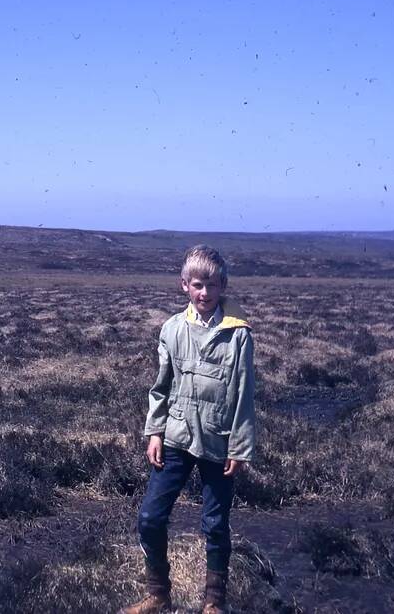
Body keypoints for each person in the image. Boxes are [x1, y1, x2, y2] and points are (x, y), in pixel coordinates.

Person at [119, 245, 256, 614]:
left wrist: (239, 447)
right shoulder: (172, 329)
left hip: (219, 440)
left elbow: (244, 393)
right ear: (184, 285)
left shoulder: (239, 335)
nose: (205, 293)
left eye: (212, 285)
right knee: (149, 517)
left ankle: (214, 604)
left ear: (223, 285)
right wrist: (155, 432)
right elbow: (161, 386)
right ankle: (158, 594)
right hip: (176, 436)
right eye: (198, 285)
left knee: (215, 524)